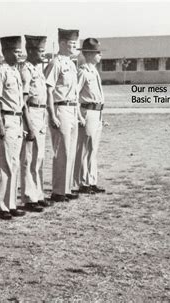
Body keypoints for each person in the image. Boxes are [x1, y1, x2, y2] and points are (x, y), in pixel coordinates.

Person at [0, 36, 29, 220]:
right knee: (5, 164)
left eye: (20, 51)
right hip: (6, 119)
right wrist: (0, 123)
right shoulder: (1, 71)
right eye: (15, 51)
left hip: (17, 120)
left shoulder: (15, 72)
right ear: (5, 52)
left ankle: (11, 203)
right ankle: (2, 206)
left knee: (14, 164)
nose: (19, 54)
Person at [44, 28, 83, 203]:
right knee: (62, 151)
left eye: (76, 43)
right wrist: (52, 114)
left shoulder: (72, 64)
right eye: (72, 43)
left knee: (71, 151)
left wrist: (79, 114)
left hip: (72, 109)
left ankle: (67, 188)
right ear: (62, 43)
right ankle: (58, 191)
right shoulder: (55, 63)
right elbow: (48, 90)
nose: (75, 46)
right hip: (60, 109)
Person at [19, 35, 53, 212]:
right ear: (30, 51)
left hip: (40, 113)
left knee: (39, 157)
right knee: (29, 158)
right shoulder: (26, 70)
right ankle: (29, 197)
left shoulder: (38, 69)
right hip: (31, 113)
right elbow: (22, 101)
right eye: (40, 51)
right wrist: (28, 125)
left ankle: (38, 194)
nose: (43, 54)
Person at [73, 38, 106, 194]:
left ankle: (91, 181)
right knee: (85, 149)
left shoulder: (93, 71)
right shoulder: (83, 72)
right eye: (97, 53)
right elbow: (74, 95)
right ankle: (83, 183)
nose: (100, 56)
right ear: (89, 54)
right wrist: (79, 116)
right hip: (87, 112)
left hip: (96, 112)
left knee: (93, 149)